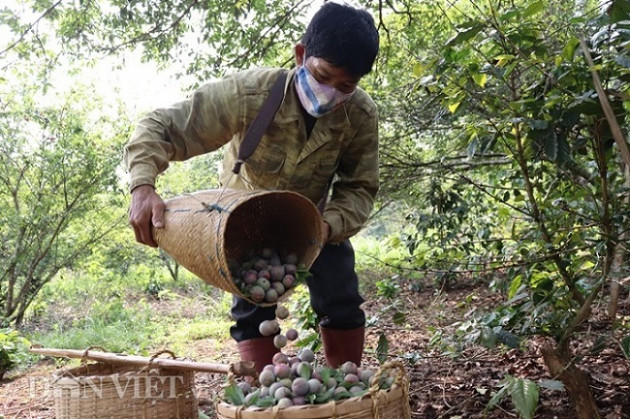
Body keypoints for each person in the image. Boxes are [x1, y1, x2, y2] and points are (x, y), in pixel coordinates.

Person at [124, 2, 380, 372]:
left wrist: (325, 229)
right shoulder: (250, 95)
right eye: (322, 76)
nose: (329, 92)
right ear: (300, 55)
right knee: (251, 310)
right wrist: (142, 186)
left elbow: (359, 186)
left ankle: (346, 387)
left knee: (341, 299)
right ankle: (267, 395)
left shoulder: (359, 114)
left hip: (316, 220)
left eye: (345, 85)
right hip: (244, 221)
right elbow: (163, 127)